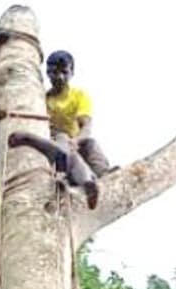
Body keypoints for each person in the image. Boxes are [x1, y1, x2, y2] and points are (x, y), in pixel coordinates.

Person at [8, 49, 114, 209]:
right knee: (63, 141)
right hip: (56, 148)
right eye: (54, 73)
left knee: (90, 143)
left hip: (75, 143)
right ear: (48, 73)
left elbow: (86, 125)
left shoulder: (79, 95)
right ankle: (85, 182)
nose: (60, 78)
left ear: (72, 72)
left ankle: (103, 174)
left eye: (64, 72)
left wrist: (77, 141)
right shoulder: (43, 99)